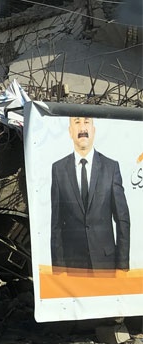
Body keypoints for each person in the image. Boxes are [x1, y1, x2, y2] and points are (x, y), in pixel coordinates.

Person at [49, 116, 130, 271]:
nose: (82, 128)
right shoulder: (58, 169)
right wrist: (58, 271)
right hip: (73, 266)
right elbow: (56, 224)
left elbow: (122, 219)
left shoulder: (111, 168)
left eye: (87, 122)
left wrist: (122, 266)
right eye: (77, 122)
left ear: (93, 130)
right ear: (70, 131)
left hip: (106, 264)